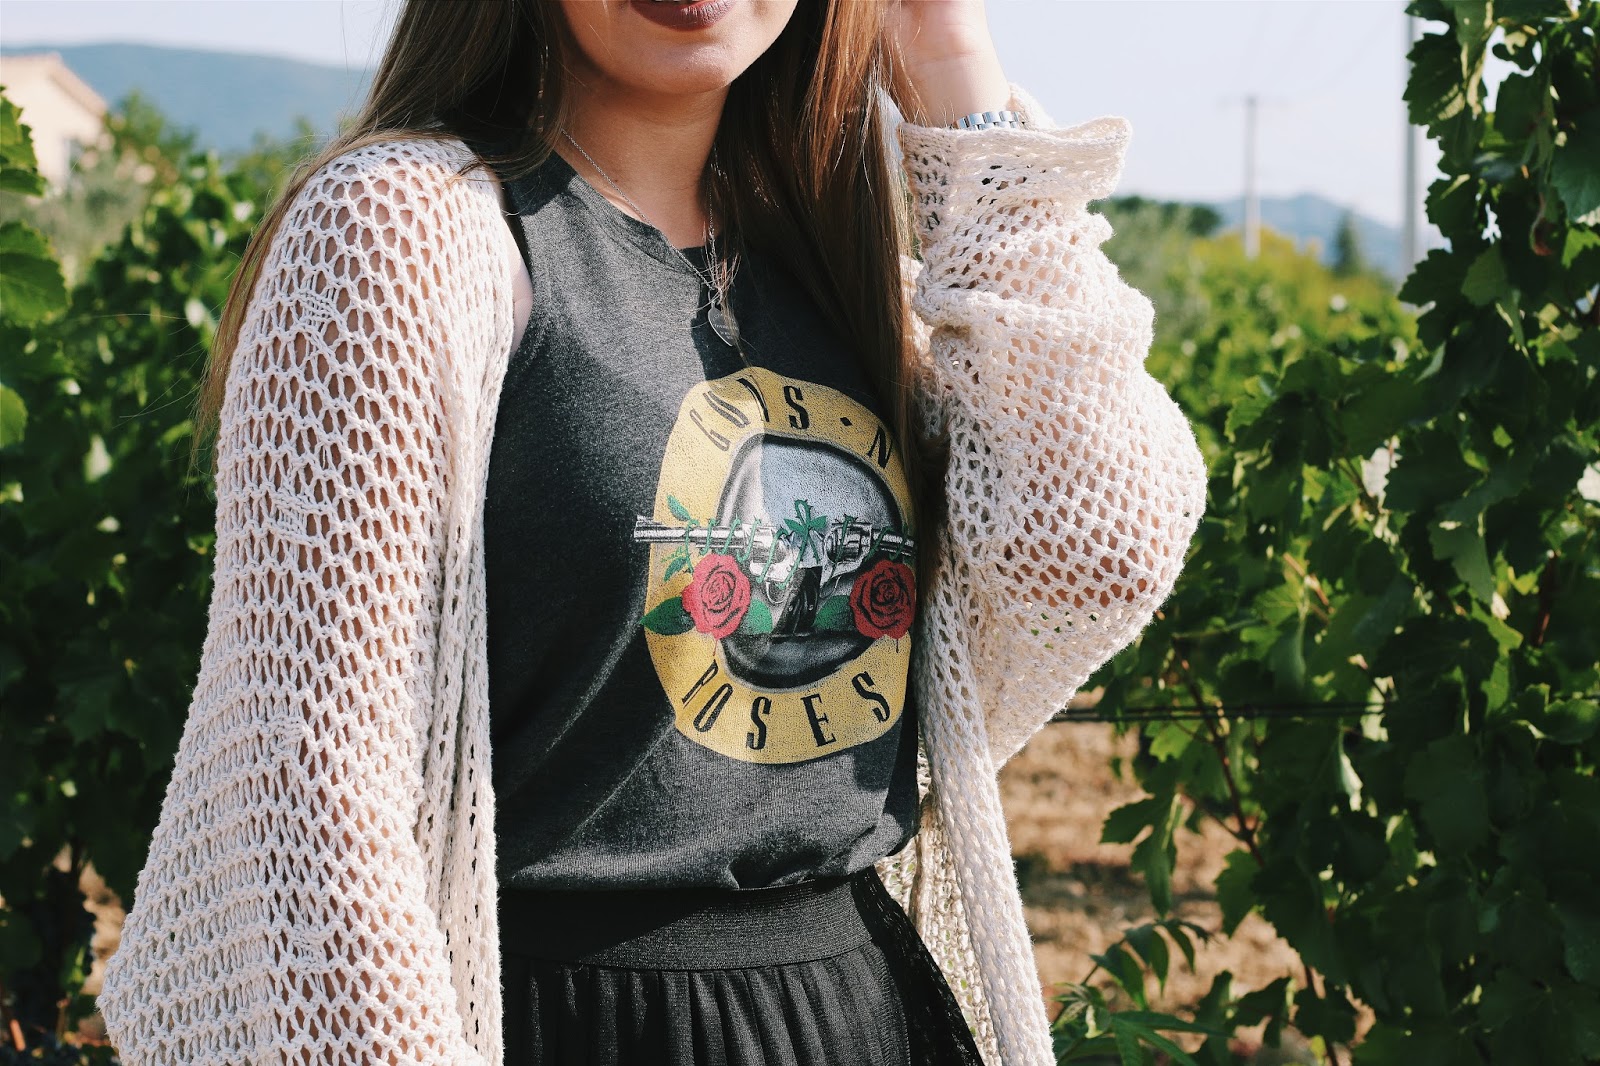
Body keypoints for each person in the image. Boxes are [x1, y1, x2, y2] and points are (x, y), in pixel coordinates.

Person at [94, 1, 1207, 1064]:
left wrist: (946, 49)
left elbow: (1097, 547)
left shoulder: (850, 276)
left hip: (847, 1006)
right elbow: (316, 797)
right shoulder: (402, 229)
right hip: (548, 1020)